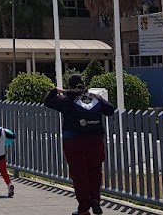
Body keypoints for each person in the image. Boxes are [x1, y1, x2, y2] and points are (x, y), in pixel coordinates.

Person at [45, 74, 116, 215]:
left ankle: (83, 209)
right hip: (95, 140)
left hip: (74, 141)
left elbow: (48, 101)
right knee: (95, 171)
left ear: (69, 86)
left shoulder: (67, 100)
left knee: (79, 174)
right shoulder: (95, 98)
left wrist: (59, 90)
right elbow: (110, 110)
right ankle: (95, 199)